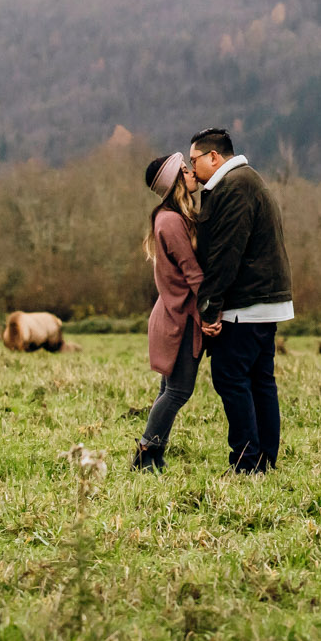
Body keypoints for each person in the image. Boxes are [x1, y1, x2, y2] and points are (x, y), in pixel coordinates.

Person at [188, 127, 292, 472]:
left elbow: (226, 252)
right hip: (265, 299)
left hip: (247, 302)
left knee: (230, 377)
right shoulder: (246, 181)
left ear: (214, 157)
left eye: (194, 161)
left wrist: (209, 306)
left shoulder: (235, 187)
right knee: (261, 379)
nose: (193, 169)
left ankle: (247, 461)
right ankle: (265, 458)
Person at [131, 151, 205, 470]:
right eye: (186, 170)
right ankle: (146, 453)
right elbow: (194, 274)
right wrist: (212, 312)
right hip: (180, 320)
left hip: (171, 315)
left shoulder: (168, 217)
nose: (192, 173)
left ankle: (154, 456)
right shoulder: (172, 221)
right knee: (178, 392)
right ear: (176, 181)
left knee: (169, 390)